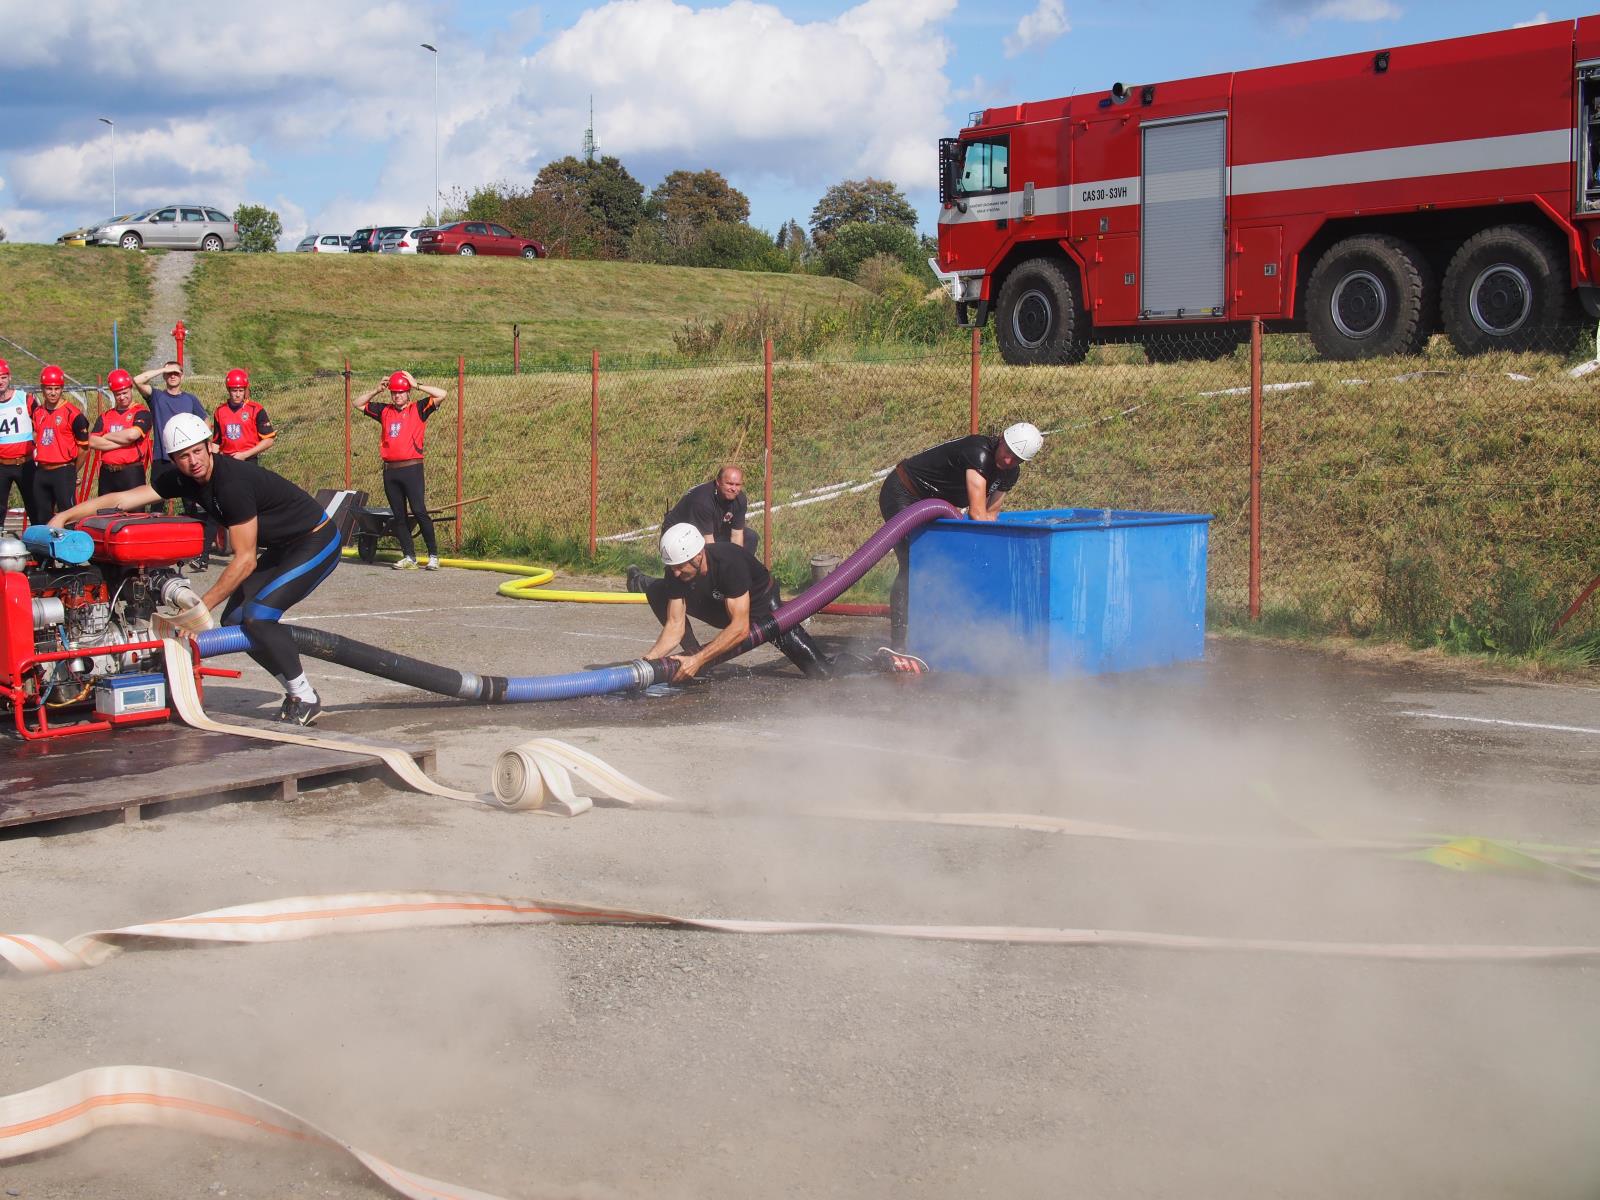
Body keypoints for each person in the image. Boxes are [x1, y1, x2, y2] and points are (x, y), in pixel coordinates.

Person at [49, 414, 343, 726]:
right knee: (235, 621)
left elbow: (245, 560)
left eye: (197, 451)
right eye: (184, 455)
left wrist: (199, 610)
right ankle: (298, 691)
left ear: (209, 445)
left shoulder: (232, 483)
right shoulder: (184, 478)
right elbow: (123, 499)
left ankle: (305, 697)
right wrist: (65, 516)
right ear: (174, 460)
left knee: (258, 616)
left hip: (316, 540)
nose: (193, 461)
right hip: (284, 546)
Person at [877, 422, 1044, 649]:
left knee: (944, 566)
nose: (1008, 461)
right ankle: (899, 643)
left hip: (932, 505)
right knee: (914, 563)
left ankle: (936, 636)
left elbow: (991, 516)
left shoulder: (1010, 473)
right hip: (904, 491)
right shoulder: (979, 452)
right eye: (1007, 453)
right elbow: (977, 513)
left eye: (1016, 459)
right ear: (1001, 440)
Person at [640, 522, 832, 680]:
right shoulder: (676, 572)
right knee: (657, 590)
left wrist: (699, 659)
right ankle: (694, 658)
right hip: (719, 604)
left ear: (698, 555)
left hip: (761, 607)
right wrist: (648, 659)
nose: (675, 573)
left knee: (821, 672)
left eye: (680, 567)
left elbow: (740, 629)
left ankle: (697, 661)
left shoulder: (729, 563)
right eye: (672, 567)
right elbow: (675, 626)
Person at [355, 370, 446, 570]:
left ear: (407, 393)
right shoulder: (384, 411)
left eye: (401, 392)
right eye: (394, 392)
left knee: (419, 511)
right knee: (399, 515)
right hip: (390, 471)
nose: (397, 396)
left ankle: (433, 555)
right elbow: (358, 403)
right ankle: (409, 556)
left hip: (412, 469)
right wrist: (376, 391)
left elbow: (442, 394)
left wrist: (416, 384)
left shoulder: (419, 408)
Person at [627, 464, 757, 593]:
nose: (734, 489)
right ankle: (639, 582)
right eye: (729, 484)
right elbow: (709, 545)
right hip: (678, 536)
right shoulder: (703, 501)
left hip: (704, 533)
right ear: (718, 482)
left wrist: (735, 572)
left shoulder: (740, 500)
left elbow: (737, 536)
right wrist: (717, 576)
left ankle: (731, 584)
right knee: (689, 579)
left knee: (750, 537)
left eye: (737, 485)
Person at [134, 359, 213, 564]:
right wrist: (163, 368)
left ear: (182, 376)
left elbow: (206, 422)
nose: (172, 376)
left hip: (185, 460)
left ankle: (198, 553)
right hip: (163, 458)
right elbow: (137, 380)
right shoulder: (157, 397)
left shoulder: (190, 399)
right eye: (169, 374)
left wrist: (203, 444)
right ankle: (153, 550)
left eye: (176, 373)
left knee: (190, 504)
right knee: (156, 506)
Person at [29, 365, 90, 521]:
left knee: (68, 515)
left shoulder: (73, 414)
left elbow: (83, 448)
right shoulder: (38, 412)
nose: (53, 393)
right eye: (49, 389)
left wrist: (72, 470)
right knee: (41, 516)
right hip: (42, 470)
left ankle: (71, 545)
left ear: (62, 389)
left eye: (57, 388)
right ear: (42, 389)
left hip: (62, 470)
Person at [87, 368, 153, 495]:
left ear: (130, 389)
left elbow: (132, 435)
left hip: (131, 472)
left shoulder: (141, 412)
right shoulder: (105, 416)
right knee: (105, 512)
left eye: (125, 392)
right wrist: (123, 443)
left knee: (135, 513)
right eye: (118, 394)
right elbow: (92, 441)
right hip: (108, 472)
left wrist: (106, 436)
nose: (122, 397)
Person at [0, 357, 35, 526]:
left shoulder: (24, 398)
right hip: (2, 465)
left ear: (9, 377)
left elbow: (42, 423)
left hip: (25, 463)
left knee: (34, 504)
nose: (0, 382)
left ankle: (39, 542)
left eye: (3, 377)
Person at [213, 368, 276, 461]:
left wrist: (245, 454)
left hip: (249, 460)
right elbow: (216, 443)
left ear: (245, 390)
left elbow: (269, 440)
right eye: (234, 390)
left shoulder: (256, 409)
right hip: (226, 461)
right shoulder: (220, 411)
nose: (238, 394)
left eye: (241, 390)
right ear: (228, 390)